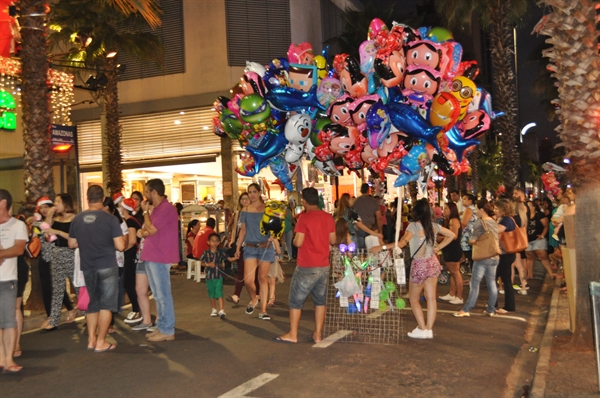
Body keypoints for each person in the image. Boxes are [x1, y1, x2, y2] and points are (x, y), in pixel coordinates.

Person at [372, 199, 455, 339]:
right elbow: (452, 235)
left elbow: (403, 243)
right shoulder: (434, 226)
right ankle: (429, 330)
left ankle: (422, 328)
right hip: (432, 263)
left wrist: (382, 247)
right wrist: (438, 248)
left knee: (414, 298)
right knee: (431, 299)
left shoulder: (413, 226)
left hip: (419, 265)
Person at [274, 187, 335, 343]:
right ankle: (318, 334)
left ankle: (293, 334)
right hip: (323, 265)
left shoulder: (304, 218)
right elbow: (333, 240)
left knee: (296, 301)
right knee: (320, 301)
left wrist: (294, 239)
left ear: (305, 201)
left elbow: (298, 241)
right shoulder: (328, 218)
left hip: (307, 265)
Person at [68, 185, 125, 352]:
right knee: (107, 304)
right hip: (107, 265)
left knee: (93, 303)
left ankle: (91, 340)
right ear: (102, 198)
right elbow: (120, 246)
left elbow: (71, 243)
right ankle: (101, 341)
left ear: (87, 198)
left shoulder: (78, 219)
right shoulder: (110, 219)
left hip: (88, 266)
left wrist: (87, 242)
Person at [140, 179, 179, 341]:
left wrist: (145, 214)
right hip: (152, 255)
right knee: (157, 294)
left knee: (162, 294)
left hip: (160, 256)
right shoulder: (156, 209)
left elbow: (151, 229)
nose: (145, 196)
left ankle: (168, 329)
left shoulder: (166, 209)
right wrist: (147, 225)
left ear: (154, 192)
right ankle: (162, 326)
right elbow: (144, 231)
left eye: (147, 192)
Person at [453, 199, 500, 317]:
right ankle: (491, 309)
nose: (476, 211)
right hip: (494, 255)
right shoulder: (493, 221)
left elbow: (473, 240)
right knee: (492, 283)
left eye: (477, 209)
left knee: (475, 283)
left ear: (482, 210)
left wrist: (470, 241)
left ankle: (466, 309)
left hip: (483, 256)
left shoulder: (480, 223)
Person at [235, 183, 275, 320]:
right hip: (250, 247)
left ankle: (263, 311)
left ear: (259, 193)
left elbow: (275, 227)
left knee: (263, 278)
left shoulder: (268, 209)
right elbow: (243, 231)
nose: (251, 195)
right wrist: (237, 248)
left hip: (266, 247)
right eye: (249, 192)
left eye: (254, 192)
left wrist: (274, 237)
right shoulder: (245, 210)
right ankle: (254, 298)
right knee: (248, 280)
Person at [0, 189, 27, 372]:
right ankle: (1, 359)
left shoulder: (18, 225)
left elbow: (19, 249)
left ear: (3, 203)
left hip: (8, 280)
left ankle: (9, 360)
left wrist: (1, 253)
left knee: (9, 320)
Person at [43, 193, 77, 331]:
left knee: (78, 286)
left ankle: (88, 315)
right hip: (56, 253)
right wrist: (49, 215)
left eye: (58, 201)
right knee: (57, 289)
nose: (55, 204)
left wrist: (57, 231)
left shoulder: (75, 219)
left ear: (66, 203)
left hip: (71, 254)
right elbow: (45, 231)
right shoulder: (55, 218)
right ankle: (54, 320)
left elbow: (74, 237)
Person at [226, 193, 259, 304]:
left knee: (256, 272)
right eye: (243, 199)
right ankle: (236, 295)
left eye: (247, 199)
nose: (245, 201)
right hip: (242, 245)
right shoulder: (238, 214)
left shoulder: (255, 212)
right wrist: (232, 241)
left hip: (254, 246)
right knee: (241, 271)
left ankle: (258, 294)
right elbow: (235, 228)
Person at [200, 233, 236, 319]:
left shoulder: (220, 252)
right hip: (209, 277)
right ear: (208, 242)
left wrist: (236, 257)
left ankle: (221, 310)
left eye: (216, 241)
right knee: (211, 293)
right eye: (212, 241)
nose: (214, 243)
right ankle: (214, 309)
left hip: (219, 276)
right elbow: (200, 262)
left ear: (219, 242)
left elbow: (229, 259)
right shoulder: (206, 253)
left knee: (219, 293)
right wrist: (208, 264)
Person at [119, 198, 143, 325]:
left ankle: (136, 309)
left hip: (131, 256)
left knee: (129, 283)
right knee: (131, 283)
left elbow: (132, 241)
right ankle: (138, 309)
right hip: (133, 256)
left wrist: (121, 249)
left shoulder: (129, 222)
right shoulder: (132, 221)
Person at [525, 201, 561, 279]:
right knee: (530, 257)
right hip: (528, 239)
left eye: (529, 205)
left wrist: (542, 235)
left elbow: (546, 225)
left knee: (542, 256)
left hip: (538, 239)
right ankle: (530, 275)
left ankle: (551, 273)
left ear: (534, 207)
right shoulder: (525, 216)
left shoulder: (539, 215)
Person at [494, 198, 517, 315]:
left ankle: (508, 306)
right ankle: (496, 303)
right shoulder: (504, 219)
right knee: (498, 278)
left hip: (505, 254)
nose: (495, 210)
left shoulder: (506, 220)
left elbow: (495, 231)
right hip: (505, 254)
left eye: (497, 208)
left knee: (503, 280)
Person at [438, 202, 464, 305]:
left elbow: (454, 236)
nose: (444, 211)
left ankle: (459, 296)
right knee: (453, 273)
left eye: (446, 209)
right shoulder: (449, 220)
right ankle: (452, 293)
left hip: (452, 249)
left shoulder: (453, 220)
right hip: (449, 249)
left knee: (456, 273)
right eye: (444, 209)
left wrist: (441, 238)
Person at [351, 183, 382, 250]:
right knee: (372, 250)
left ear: (361, 190)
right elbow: (379, 218)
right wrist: (380, 231)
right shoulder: (373, 201)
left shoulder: (355, 201)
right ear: (368, 190)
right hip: (372, 228)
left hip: (359, 229)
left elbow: (353, 217)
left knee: (361, 251)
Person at [460, 193, 477, 272]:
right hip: (472, 234)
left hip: (467, 235)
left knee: (469, 255)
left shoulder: (469, 209)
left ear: (470, 201)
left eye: (464, 199)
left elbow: (464, 223)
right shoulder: (474, 209)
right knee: (471, 257)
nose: (463, 201)